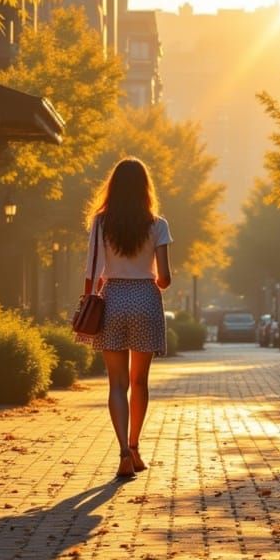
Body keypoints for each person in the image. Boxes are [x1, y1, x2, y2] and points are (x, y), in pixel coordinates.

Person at [79, 157, 172, 480]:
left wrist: (88, 299)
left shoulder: (101, 223)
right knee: (139, 381)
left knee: (117, 384)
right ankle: (134, 447)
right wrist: (149, 272)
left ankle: (121, 453)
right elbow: (164, 279)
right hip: (146, 300)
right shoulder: (158, 225)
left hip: (113, 299)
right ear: (146, 188)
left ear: (114, 187)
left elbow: (92, 270)